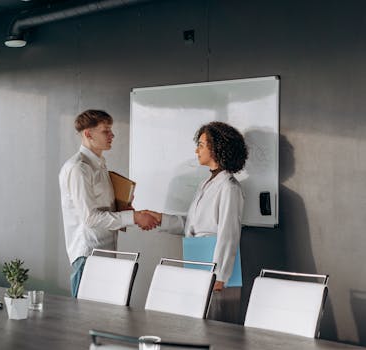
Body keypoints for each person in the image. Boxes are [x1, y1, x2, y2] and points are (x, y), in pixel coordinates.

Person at [146, 121, 248, 322]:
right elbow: (192, 225)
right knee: (198, 327)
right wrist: (161, 219)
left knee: (217, 329)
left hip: (217, 272)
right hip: (198, 263)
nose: (196, 150)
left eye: (201, 145)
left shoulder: (229, 187)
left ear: (217, 147)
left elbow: (229, 234)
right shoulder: (206, 183)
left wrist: (220, 276)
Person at [59, 109, 160, 298]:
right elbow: (90, 218)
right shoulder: (79, 168)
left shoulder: (99, 165)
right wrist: (134, 217)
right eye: (106, 131)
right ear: (88, 134)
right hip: (88, 254)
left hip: (104, 252)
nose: (112, 135)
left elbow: (99, 209)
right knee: (83, 319)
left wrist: (122, 209)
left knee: (101, 318)